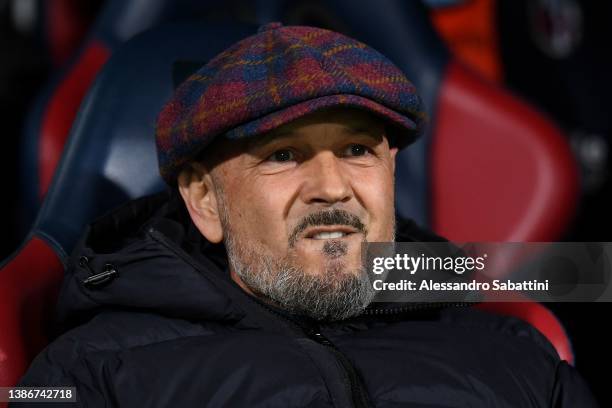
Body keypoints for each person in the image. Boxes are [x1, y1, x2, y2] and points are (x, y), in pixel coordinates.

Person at [14, 23, 598, 407]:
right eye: (284, 155)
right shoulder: (91, 377)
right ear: (204, 200)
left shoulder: (514, 353)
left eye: (356, 150)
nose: (332, 188)